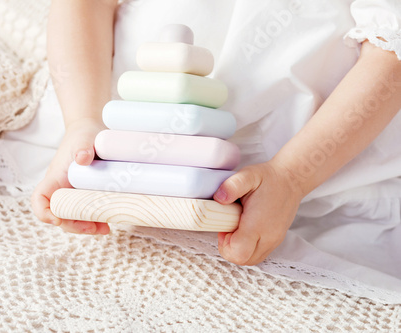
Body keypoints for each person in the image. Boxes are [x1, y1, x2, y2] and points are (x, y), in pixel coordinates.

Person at [30, 0, 401, 268]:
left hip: (311, 170)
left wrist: (292, 177)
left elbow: (391, 50)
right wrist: (81, 121)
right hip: (119, 132)